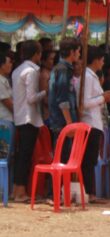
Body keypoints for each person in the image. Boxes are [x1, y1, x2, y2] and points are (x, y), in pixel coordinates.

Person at [76, 46, 110, 201]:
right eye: (102, 60)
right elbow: (84, 102)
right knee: (88, 160)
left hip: (94, 121)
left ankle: (89, 192)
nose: (103, 63)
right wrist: (102, 98)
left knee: (90, 160)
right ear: (96, 60)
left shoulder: (91, 76)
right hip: (90, 122)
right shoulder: (88, 77)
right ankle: (89, 193)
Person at [11, 40, 45, 202]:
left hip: (19, 116)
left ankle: (17, 189)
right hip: (29, 118)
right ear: (36, 54)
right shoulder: (31, 71)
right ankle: (20, 191)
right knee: (25, 155)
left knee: (21, 155)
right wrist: (46, 91)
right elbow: (32, 98)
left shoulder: (17, 70)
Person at [48, 37, 80, 156]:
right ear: (72, 52)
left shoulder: (63, 69)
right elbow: (62, 100)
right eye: (78, 51)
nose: (79, 54)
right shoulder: (63, 70)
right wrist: (69, 124)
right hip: (62, 123)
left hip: (62, 122)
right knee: (63, 160)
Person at [0, 53, 12, 121]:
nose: (11, 65)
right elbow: (9, 105)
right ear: (2, 65)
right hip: (4, 122)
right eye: (9, 62)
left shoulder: (4, 80)